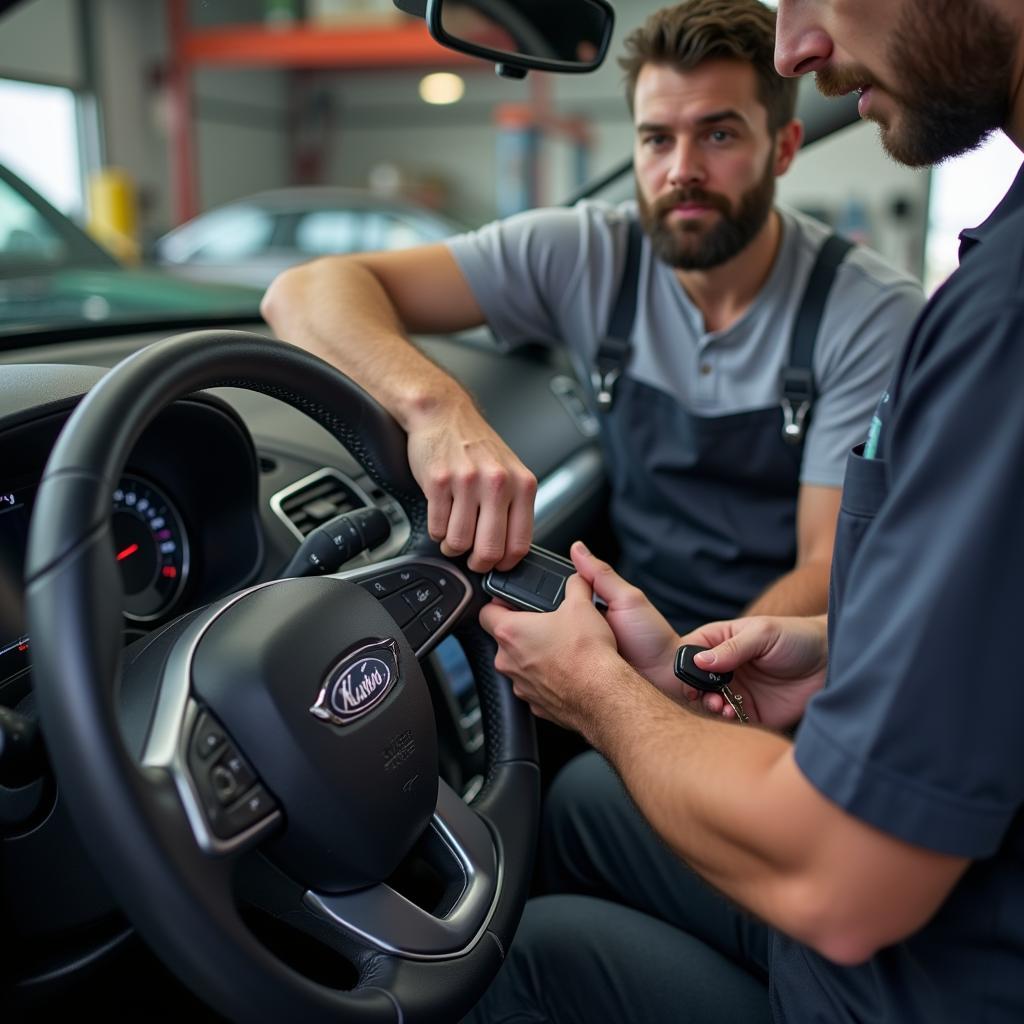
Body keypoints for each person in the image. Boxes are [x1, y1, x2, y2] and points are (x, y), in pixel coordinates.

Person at [466, 0, 1024, 1021]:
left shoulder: (988, 319)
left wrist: (600, 694)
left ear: (782, 152)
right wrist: (832, 646)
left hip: (912, 972)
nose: (796, 46)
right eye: (654, 137)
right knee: (584, 804)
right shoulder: (995, 271)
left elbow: (846, 892)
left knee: (534, 957)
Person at [261, 0, 923, 631]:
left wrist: (690, 675)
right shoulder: (585, 253)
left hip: (785, 662)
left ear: (782, 148)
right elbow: (306, 289)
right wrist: (436, 410)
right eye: (657, 139)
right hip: (632, 627)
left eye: (718, 134)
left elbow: (823, 566)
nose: (680, 171)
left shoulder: (867, 313)